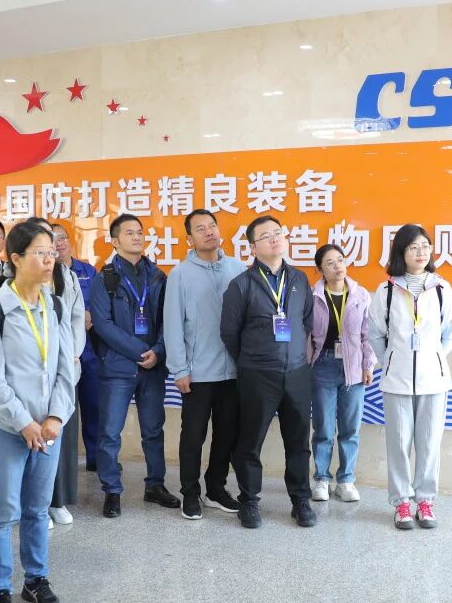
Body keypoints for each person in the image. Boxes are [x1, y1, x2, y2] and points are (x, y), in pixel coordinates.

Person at [0, 222, 76, 603]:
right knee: (3, 512)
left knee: (36, 508)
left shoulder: (56, 306)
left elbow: (67, 368)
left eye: (51, 252)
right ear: (15, 259)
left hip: (48, 429)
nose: (49, 260)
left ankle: (36, 579)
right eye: (39, 253)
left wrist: (56, 416)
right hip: (7, 428)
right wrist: (24, 422)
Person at [220, 215, 317, 529]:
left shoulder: (299, 279)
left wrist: (294, 355)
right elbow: (229, 333)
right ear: (253, 247)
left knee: (299, 441)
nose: (275, 238)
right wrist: (253, 358)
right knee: (250, 441)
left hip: (297, 372)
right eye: (266, 235)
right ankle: (249, 500)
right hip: (257, 374)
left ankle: (300, 501)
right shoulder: (241, 285)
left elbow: (305, 322)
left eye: (278, 232)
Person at [367, 224, 452, 531]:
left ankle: (425, 501)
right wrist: (391, 361)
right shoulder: (386, 291)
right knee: (398, 443)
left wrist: (434, 358)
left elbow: (450, 333)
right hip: (397, 381)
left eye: (425, 246)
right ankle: (402, 503)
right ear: (401, 252)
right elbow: (375, 333)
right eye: (413, 247)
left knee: (430, 443)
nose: (421, 252)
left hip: (434, 380)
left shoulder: (442, 289)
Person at [88, 213, 179, 517]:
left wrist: (159, 351)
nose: (137, 237)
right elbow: (103, 324)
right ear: (115, 241)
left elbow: (168, 319)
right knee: (110, 433)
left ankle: (155, 485)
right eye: (129, 233)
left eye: (140, 232)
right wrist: (141, 351)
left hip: (152, 367)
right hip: (118, 367)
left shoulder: (158, 276)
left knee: (153, 430)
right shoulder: (105, 278)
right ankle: (112, 490)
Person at [164, 209, 246, 519]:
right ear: (190, 239)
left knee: (226, 434)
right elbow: (173, 325)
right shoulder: (180, 274)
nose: (209, 232)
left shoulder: (237, 268)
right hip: (197, 373)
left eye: (212, 226)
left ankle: (215, 489)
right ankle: (190, 492)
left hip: (233, 372)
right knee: (193, 436)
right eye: (201, 229)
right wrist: (179, 369)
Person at [308, 243, 375, 503]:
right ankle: (322, 479)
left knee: (350, 427)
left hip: (353, 367)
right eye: (330, 263)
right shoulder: (313, 296)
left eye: (340, 260)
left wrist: (368, 365)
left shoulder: (360, 295)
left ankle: (346, 480)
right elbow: (305, 334)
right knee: (324, 428)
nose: (337, 266)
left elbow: (367, 335)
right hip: (322, 365)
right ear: (320, 270)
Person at [44, 222, 87, 526]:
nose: (54, 247)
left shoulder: (68, 275)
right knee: (38, 438)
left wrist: (74, 352)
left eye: (59, 240)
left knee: (63, 436)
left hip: (67, 366)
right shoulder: (14, 279)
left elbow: (77, 318)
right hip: (36, 370)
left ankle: (58, 501)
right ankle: (37, 503)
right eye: (48, 242)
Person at [52, 222, 102, 473]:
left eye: (62, 238)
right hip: (59, 350)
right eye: (53, 239)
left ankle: (96, 457)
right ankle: (63, 462)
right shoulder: (46, 274)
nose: (59, 243)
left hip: (89, 349)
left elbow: (101, 302)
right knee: (61, 407)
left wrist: (91, 313)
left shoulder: (87, 270)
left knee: (94, 405)